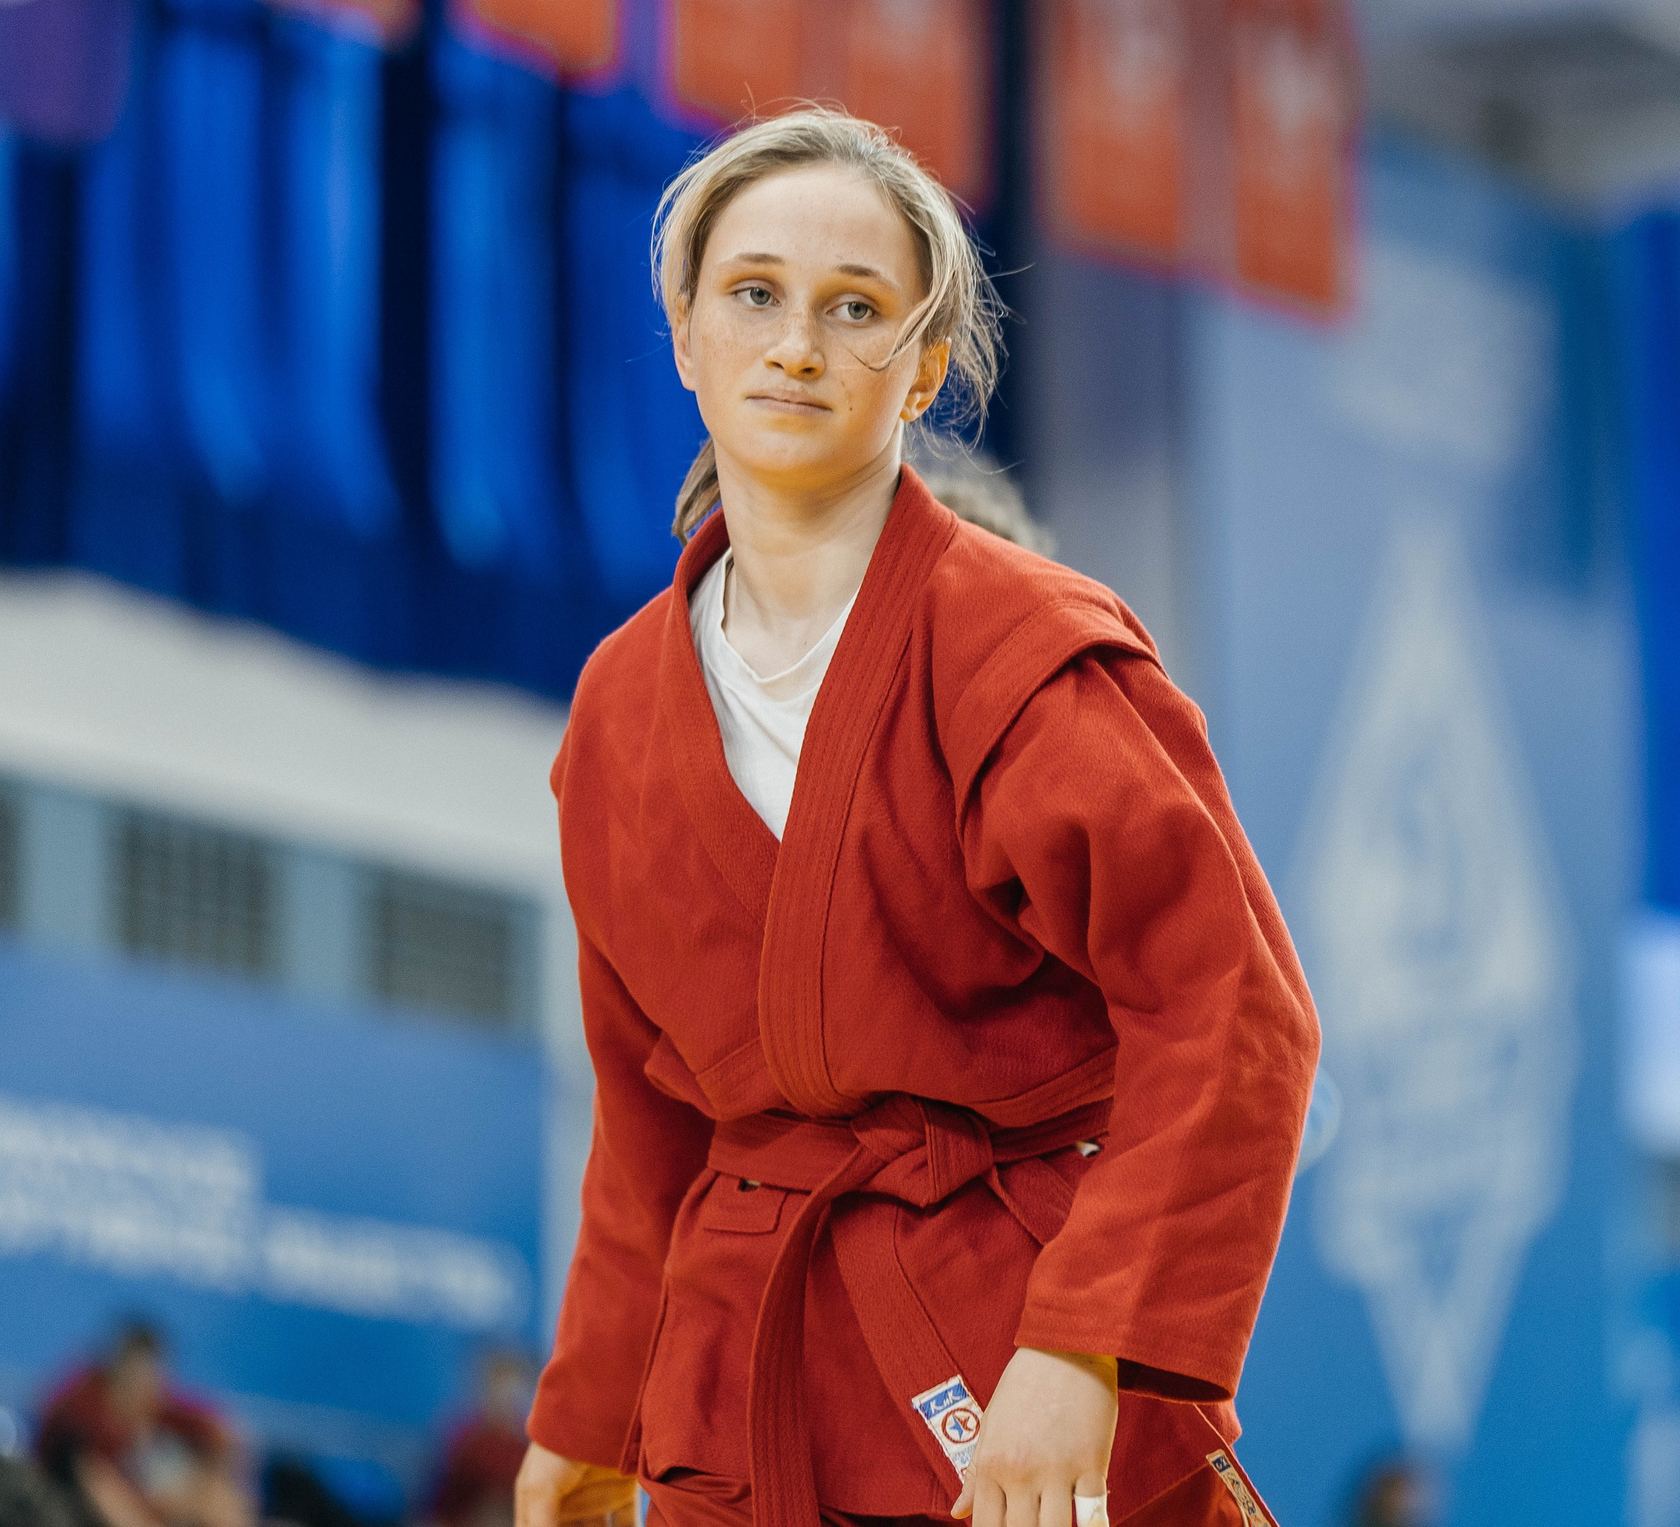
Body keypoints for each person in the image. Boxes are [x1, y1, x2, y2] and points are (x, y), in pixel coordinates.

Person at [510, 108, 1319, 1527]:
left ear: (926, 368)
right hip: (741, 1378)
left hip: (1006, 1347)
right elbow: (648, 1119)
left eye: (857, 308)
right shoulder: (619, 706)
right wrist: (589, 1413)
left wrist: (1083, 1343)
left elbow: (1229, 1008)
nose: (800, 344)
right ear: (686, 331)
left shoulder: (1025, 649)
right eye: (753, 292)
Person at [34, 1323, 250, 1527]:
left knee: (213, 1489)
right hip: (76, 1505)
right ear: (116, 1372)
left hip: (149, 1495)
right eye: (132, 1377)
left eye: (149, 1379)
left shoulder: (160, 1406)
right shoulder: (81, 1411)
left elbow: (219, 1431)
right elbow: (103, 1489)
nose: (140, 1389)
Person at [422, 1354, 533, 1527]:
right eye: (499, 1388)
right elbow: (440, 1504)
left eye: (512, 1390)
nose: (506, 1398)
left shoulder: (527, 1448)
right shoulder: (465, 1441)